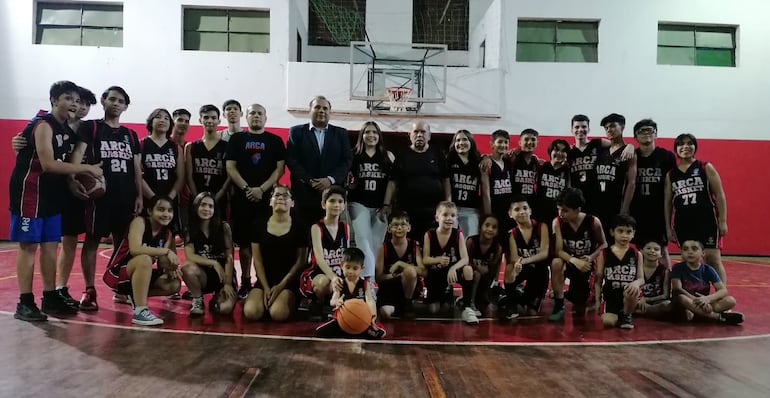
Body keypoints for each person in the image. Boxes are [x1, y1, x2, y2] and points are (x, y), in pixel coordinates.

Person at [10, 81, 103, 321]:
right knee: (29, 247)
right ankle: (25, 301)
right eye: (68, 98)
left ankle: (50, 296)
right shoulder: (42, 124)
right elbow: (48, 164)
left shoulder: (65, 128)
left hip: (52, 194)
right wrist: (87, 168)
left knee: (51, 247)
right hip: (30, 193)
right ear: (54, 100)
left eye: (76, 99)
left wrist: (74, 179)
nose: (74, 103)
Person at [69, 86, 144, 308]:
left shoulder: (130, 135)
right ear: (103, 101)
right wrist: (72, 179)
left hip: (126, 197)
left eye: (121, 101)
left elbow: (136, 168)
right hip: (99, 196)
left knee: (123, 244)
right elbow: (77, 156)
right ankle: (89, 289)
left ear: (126, 106)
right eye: (112, 99)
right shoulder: (91, 127)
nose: (116, 103)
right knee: (92, 240)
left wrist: (139, 195)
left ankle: (119, 286)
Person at [225, 103, 286, 299]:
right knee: (244, 246)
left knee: (266, 243)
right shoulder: (237, 139)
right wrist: (247, 188)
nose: (256, 116)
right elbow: (231, 167)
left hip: (267, 201)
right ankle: (244, 281)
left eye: (260, 113)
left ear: (266, 118)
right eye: (253, 113)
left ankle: (263, 281)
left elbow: (280, 169)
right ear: (246, 117)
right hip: (242, 200)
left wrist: (262, 189)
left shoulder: (275, 141)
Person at [102, 195, 182, 325]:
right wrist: (166, 251)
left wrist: (170, 267)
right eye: (161, 209)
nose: (166, 214)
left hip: (140, 273)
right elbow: (135, 249)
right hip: (118, 272)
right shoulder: (140, 222)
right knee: (145, 259)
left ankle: (135, 296)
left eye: (169, 210)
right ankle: (140, 311)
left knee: (174, 284)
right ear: (150, 211)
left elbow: (161, 263)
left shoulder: (167, 233)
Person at [664, 133, 729, 284]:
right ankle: (692, 294)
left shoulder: (705, 167)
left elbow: (719, 195)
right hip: (683, 222)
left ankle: (721, 295)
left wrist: (723, 220)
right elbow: (667, 203)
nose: (685, 147)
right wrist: (668, 227)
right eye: (681, 144)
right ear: (676, 149)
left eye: (689, 144)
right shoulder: (671, 174)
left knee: (712, 258)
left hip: (707, 220)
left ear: (695, 147)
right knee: (689, 258)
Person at [286, 96, 352, 228]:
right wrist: (310, 180)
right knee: (303, 236)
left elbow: (347, 160)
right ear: (309, 111)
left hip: (331, 194)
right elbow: (292, 160)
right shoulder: (296, 132)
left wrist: (330, 179)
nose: (321, 110)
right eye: (317, 107)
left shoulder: (341, 133)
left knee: (330, 236)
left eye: (325, 108)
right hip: (304, 194)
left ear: (329, 112)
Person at [244, 185, 308, 322]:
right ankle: (265, 299)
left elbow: (301, 262)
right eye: (277, 195)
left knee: (278, 314)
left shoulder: (300, 227)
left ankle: (286, 302)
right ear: (270, 201)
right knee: (251, 312)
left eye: (285, 196)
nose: (281, 198)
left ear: (292, 203)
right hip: (264, 281)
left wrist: (280, 287)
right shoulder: (258, 224)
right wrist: (266, 287)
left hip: (288, 283)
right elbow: (258, 260)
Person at [384, 121, 450, 241]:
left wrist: (448, 204)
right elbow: (392, 182)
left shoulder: (438, 154)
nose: (419, 135)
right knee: (408, 247)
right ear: (410, 135)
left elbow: (446, 180)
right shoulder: (402, 155)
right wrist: (386, 205)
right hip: (407, 212)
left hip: (432, 212)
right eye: (416, 132)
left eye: (423, 132)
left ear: (429, 135)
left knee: (430, 246)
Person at [549, 188, 607, 321]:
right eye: (559, 209)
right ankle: (559, 305)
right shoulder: (557, 222)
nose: (561, 213)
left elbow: (604, 244)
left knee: (580, 305)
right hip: (569, 262)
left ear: (577, 209)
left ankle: (587, 293)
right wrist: (575, 260)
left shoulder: (593, 221)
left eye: (565, 210)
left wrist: (591, 257)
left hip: (587, 265)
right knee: (556, 263)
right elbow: (558, 251)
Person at [347, 121, 393, 281]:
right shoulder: (353, 155)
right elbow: (348, 181)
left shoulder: (387, 156)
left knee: (375, 245)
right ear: (362, 136)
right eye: (367, 132)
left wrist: (386, 205)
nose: (371, 135)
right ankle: (370, 281)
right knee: (363, 240)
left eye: (374, 132)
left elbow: (391, 183)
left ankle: (367, 282)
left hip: (380, 206)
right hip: (359, 203)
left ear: (379, 136)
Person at [180, 192, 237, 316]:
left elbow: (230, 257)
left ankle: (216, 298)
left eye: (210, 206)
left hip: (223, 274)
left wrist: (227, 283)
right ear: (196, 207)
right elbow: (190, 256)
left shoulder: (224, 227)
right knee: (186, 268)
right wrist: (213, 263)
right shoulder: (190, 228)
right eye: (203, 205)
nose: (206, 209)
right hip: (204, 274)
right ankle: (198, 299)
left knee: (225, 309)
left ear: (215, 209)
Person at [629, 119, 676, 269]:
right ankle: (643, 284)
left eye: (649, 130)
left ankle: (666, 285)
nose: (646, 133)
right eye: (641, 131)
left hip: (658, 211)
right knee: (640, 249)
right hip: (637, 210)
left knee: (660, 249)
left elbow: (673, 185)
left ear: (656, 133)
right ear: (635, 137)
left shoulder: (666, 156)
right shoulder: (631, 156)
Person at [567, 114, 634, 216]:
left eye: (584, 127)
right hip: (578, 201)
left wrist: (630, 145)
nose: (580, 129)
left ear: (589, 129)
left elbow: (617, 145)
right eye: (577, 127)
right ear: (572, 130)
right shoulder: (569, 152)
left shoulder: (597, 143)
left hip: (597, 199)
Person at [299, 185, 350, 319]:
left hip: (338, 272)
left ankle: (334, 303)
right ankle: (318, 302)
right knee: (324, 283)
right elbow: (320, 259)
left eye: (340, 201)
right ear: (323, 204)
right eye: (332, 201)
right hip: (319, 271)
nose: (336, 205)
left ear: (344, 206)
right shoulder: (316, 227)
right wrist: (333, 277)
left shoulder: (345, 227)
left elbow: (347, 257)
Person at [315, 248, 386, 339]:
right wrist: (337, 302)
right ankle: (350, 330)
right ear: (341, 265)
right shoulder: (340, 283)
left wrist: (373, 316)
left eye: (355, 268)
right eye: (347, 267)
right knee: (320, 331)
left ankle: (355, 330)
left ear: (362, 268)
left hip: (361, 318)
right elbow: (332, 301)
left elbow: (370, 301)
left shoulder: (364, 284)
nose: (351, 271)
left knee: (380, 333)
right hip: (342, 318)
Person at [422, 201, 475, 323]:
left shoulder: (458, 234)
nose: (449, 218)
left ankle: (467, 307)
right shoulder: (429, 234)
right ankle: (445, 293)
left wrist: (453, 268)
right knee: (434, 310)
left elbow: (465, 259)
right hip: (436, 273)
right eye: (445, 215)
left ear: (456, 218)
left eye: (452, 215)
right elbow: (425, 259)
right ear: (437, 217)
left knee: (468, 269)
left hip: (452, 272)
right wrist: (438, 259)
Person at [671, 240, 743, 324]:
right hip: (688, 302)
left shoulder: (708, 269)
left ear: (703, 253)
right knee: (682, 298)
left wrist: (708, 299)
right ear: (681, 253)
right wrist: (699, 301)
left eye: (694, 249)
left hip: (704, 303)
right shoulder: (677, 267)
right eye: (685, 249)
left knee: (731, 300)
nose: (690, 252)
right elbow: (677, 289)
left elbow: (723, 290)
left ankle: (700, 314)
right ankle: (717, 317)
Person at [593, 214, 644, 329]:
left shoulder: (637, 254)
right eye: (620, 231)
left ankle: (626, 314)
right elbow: (598, 279)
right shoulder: (604, 253)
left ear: (633, 234)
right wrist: (597, 300)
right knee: (608, 322)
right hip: (610, 296)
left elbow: (641, 279)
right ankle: (621, 315)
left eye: (628, 232)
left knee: (632, 290)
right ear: (612, 232)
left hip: (628, 295)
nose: (624, 235)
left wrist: (636, 283)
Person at [504, 197, 550, 319]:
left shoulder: (542, 227)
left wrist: (523, 261)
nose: (522, 212)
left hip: (539, 272)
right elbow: (514, 257)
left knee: (531, 312)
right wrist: (517, 266)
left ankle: (525, 296)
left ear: (530, 211)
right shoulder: (512, 234)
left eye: (525, 208)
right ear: (510, 214)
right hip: (524, 269)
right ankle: (511, 303)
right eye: (517, 209)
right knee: (509, 269)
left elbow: (544, 253)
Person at [141, 108, 185, 233]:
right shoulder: (142, 144)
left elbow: (181, 177)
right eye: (158, 117)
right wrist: (154, 198)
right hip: (148, 199)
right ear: (151, 121)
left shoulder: (175, 147)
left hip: (169, 199)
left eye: (166, 118)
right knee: (147, 234)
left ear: (170, 124)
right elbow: (138, 175)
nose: (162, 120)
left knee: (169, 237)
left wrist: (169, 198)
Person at [594, 113, 637, 241]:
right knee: (599, 241)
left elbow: (631, 182)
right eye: (606, 128)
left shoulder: (628, 152)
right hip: (598, 203)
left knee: (614, 242)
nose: (609, 130)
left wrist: (624, 208)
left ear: (622, 127)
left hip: (616, 205)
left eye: (612, 126)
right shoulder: (602, 151)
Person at [375, 211, 424, 320]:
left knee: (410, 271)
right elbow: (379, 278)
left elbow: (423, 271)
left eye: (403, 225)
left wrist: (401, 264)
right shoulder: (383, 248)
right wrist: (397, 276)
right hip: (389, 289)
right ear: (389, 229)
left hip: (408, 289)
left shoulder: (414, 245)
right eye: (395, 225)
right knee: (385, 313)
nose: (399, 228)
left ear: (409, 228)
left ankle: (407, 304)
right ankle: (401, 308)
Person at [186, 105, 230, 220]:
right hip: (197, 198)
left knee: (218, 232)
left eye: (213, 118)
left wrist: (217, 197)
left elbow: (229, 176)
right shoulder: (191, 146)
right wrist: (198, 199)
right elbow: (189, 176)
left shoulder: (227, 146)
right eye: (206, 117)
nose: (210, 120)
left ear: (219, 121)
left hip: (219, 199)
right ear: (200, 120)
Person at [465, 214, 502, 316]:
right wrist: (476, 267)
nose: (490, 229)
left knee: (485, 305)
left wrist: (494, 279)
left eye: (494, 227)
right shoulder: (471, 241)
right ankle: (469, 303)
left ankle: (478, 297)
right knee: (476, 274)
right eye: (487, 225)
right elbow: (465, 262)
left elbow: (494, 267)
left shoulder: (497, 248)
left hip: (485, 280)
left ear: (497, 231)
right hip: (468, 276)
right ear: (480, 227)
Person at [447, 129, 482, 237]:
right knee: (451, 240)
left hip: (471, 210)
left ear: (471, 142)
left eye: (465, 139)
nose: (461, 143)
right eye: (458, 140)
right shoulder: (449, 160)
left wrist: (486, 157)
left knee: (470, 241)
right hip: (453, 208)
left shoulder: (478, 162)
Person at [534, 139, 570, 225]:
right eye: (556, 150)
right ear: (550, 151)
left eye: (563, 151)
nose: (559, 153)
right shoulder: (541, 166)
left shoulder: (568, 170)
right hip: (540, 212)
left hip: (559, 214)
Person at [170, 109, 192, 238]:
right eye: (180, 120)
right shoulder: (165, 145)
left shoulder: (191, 147)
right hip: (169, 198)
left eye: (187, 121)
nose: (184, 123)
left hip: (187, 200)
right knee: (169, 237)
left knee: (187, 236)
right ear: (173, 122)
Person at [636, 240, 672, 317]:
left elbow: (666, 295)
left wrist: (646, 299)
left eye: (656, 249)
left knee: (667, 304)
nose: (652, 251)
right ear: (641, 251)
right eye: (648, 248)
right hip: (638, 301)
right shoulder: (635, 268)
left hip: (657, 302)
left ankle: (641, 312)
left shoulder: (665, 271)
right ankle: (650, 312)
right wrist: (639, 299)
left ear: (661, 254)